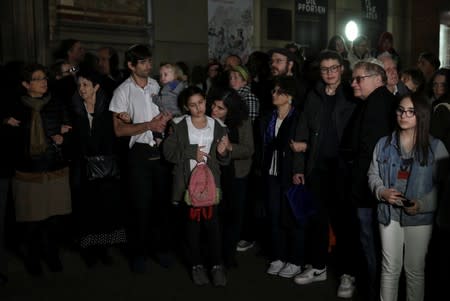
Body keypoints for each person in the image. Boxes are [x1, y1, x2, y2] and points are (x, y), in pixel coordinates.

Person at [368, 92, 449, 301]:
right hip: (388, 213)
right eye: (401, 110)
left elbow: (445, 187)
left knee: (414, 270)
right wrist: (381, 191)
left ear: (421, 115)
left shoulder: (436, 147)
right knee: (390, 268)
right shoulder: (383, 144)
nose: (404, 115)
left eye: (411, 112)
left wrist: (421, 204)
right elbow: (373, 174)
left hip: (420, 217)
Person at [292, 50, 358, 299]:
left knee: (344, 224)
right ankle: (318, 267)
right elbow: (301, 132)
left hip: (343, 170)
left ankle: (347, 274)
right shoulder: (314, 95)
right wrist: (299, 167)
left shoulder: (352, 94)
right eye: (324, 69)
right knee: (317, 221)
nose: (329, 73)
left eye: (334, 68)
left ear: (342, 68)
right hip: (317, 169)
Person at [108, 44, 172, 273]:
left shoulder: (156, 85)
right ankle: (138, 253)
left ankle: (162, 249)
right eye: (143, 62)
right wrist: (148, 125)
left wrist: (166, 119)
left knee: (162, 204)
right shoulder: (122, 91)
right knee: (140, 206)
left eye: (149, 61)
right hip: (139, 153)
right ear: (131, 65)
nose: (149, 65)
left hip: (161, 149)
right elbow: (118, 130)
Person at [162, 86, 231, 286]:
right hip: (187, 186)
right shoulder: (178, 124)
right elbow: (168, 153)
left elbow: (224, 160)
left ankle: (217, 266)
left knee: (213, 227)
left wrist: (223, 152)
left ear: (205, 101)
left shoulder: (217, 124)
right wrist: (192, 152)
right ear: (186, 107)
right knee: (192, 228)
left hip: (210, 185)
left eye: (201, 103)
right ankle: (196, 265)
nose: (198, 108)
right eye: (193, 105)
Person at [10, 63, 72, 276]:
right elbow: (11, 141)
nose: (43, 81)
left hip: (54, 166)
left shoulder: (55, 102)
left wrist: (63, 137)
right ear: (26, 84)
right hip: (29, 170)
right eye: (37, 78)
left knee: (54, 218)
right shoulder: (16, 107)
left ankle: (51, 254)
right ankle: (33, 258)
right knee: (32, 220)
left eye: (44, 77)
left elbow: (69, 127)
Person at [347, 58, 397, 301]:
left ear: (378, 79)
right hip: (373, 188)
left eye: (359, 79)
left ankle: (375, 292)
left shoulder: (378, 104)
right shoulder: (374, 103)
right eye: (353, 79)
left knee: (373, 246)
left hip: (370, 190)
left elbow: (370, 152)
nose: (354, 84)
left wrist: (358, 186)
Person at [69, 68, 127, 267]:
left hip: (105, 168)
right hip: (83, 170)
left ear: (96, 87)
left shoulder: (108, 111)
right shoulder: (74, 110)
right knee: (86, 210)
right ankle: (88, 250)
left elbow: (116, 139)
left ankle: (103, 250)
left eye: (86, 85)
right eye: (79, 85)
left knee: (106, 209)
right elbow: (73, 142)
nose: (81, 89)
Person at [260, 76, 304, 278]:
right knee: (273, 214)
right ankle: (278, 257)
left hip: (290, 173)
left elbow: (303, 146)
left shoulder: (298, 118)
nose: (274, 94)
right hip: (270, 172)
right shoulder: (268, 117)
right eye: (273, 90)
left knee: (292, 215)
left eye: (278, 91)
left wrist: (298, 171)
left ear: (289, 96)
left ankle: (295, 260)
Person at [210, 89, 254, 267]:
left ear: (231, 110)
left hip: (237, 175)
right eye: (214, 105)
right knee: (216, 216)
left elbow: (249, 150)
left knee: (234, 217)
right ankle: (215, 255)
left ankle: (228, 255)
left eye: (220, 108)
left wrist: (229, 147)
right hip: (215, 175)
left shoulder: (243, 122)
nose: (214, 110)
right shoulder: (207, 121)